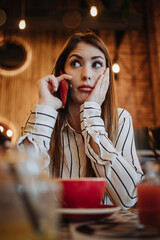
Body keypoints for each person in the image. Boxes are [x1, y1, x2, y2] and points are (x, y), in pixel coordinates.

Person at [17, 31, 144, 210]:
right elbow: (20, 189)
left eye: (97, 64)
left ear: (107, 75)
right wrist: (46, 105)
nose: (86, 74)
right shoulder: (43, 119)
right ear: (62, 72)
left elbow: (129, 198)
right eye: (76, 63)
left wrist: (91, 114)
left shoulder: (121, 119)